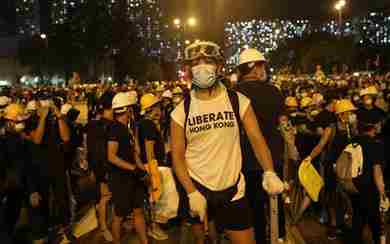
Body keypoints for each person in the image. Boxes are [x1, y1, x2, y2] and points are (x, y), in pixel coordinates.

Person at [171, 41, 284, 244]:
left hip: (233, 189)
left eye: (209, 62)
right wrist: (191, 192)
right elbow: (177, 156)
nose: (202, 67)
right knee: (203, 240)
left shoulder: (238, 100)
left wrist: (269, 171)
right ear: (188, 69)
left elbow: (257, 140)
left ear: (219, 66)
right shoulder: (181, 111)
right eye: (196, 63)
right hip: (198, 187)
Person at [236, 48, 287, 243]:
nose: (264, 69)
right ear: (255, 68)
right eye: (262, 65)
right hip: (273, 157)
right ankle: (280, 236)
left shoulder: (235, 94)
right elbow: (283, 123)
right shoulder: (274, 91)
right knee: (276, 202)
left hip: (247, 158)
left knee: (254, 205)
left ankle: (259, 239)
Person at [107, 92, 148, 244]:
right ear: (127, 110)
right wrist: (133, 169)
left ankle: (145, 241)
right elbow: (111, 156)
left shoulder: (128, 128)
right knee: (119, 215)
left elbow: (135, 153)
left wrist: (142, 171)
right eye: (131, 108)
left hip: (133, 178)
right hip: (120, 180)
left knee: (138, 210)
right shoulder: (115, 129)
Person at [348, 120, 388, 244]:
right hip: (369, 187)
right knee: (375, 220)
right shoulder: (374, 144)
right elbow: (377, 171)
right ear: (373, 128)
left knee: (358, 218)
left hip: (352, 185)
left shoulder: (352, 142)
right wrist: (382, 193)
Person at [86, 91, 115, 242]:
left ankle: (106, 223)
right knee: (105, 197)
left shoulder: (94, 124)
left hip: (101, 167)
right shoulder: (99, 126)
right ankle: (103, 227)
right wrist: (101, 174)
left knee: (107, 197)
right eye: (113, 109)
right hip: (102, 169)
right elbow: (96, 153)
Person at [139, 93, 169, 240]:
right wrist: (152, 169)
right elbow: (149, 149)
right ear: (150, 109)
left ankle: (152, 226)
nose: (160, 110)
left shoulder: (144, 123)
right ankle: (153, 227)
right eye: (157, 107)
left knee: (151, 197)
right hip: (152, 164)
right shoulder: (148, 125)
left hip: (149, 164)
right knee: (153, 198)